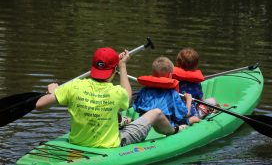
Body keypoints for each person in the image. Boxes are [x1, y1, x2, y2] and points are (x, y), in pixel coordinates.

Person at [35, 47, 177, 148]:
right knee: (156, 112)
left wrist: (53, 92)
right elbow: (127, 101)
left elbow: (39, 105)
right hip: (112, 145)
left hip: (77, 143)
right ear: (114, 70)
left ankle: (122, 121)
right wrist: (122, 67)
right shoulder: (116, 92)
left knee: (109, 112)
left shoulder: (73, 86)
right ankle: (175, 131)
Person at [133, 56, 200, 131]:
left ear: (152, 74)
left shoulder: (144, 90)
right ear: (170, 75)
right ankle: (187, 123)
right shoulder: (173, 94)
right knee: (194, 119)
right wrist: (188, 100)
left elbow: (136, 107)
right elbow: (184, 114)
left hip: (145, 123)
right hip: (166, 126)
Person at [173, 48, 219, 119]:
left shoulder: (173, 80)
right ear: (195, 66)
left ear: (177, 63)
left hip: (176, 111)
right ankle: (212, 112)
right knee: (213, 100)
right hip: (193, 113)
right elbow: (201, 101)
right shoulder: (196, 83)